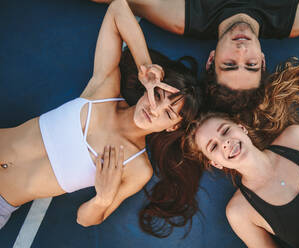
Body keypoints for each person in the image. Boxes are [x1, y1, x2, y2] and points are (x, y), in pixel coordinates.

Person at [0, 0, 201, 229]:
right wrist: (145, 65)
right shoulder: (105, 91)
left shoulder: (138, 169)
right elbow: (118, 8)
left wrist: (103, 198)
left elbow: (84, 219)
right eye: (158, 96)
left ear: (172, 127)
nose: (154, 109)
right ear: (150, 88)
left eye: (168, 113)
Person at [91, 0, 299, 112]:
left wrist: (144, 65)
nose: (241, 51)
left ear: (211, 59)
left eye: (229, 64)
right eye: (250, 65)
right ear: (262, 61)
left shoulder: (183, 17)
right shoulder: (293, 19)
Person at [182, 111, 299, 248]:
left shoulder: (296, 138)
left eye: (225, 131)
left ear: (241, 128)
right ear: (215, 163)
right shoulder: (239, 212)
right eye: (213, 147)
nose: (225, 143)